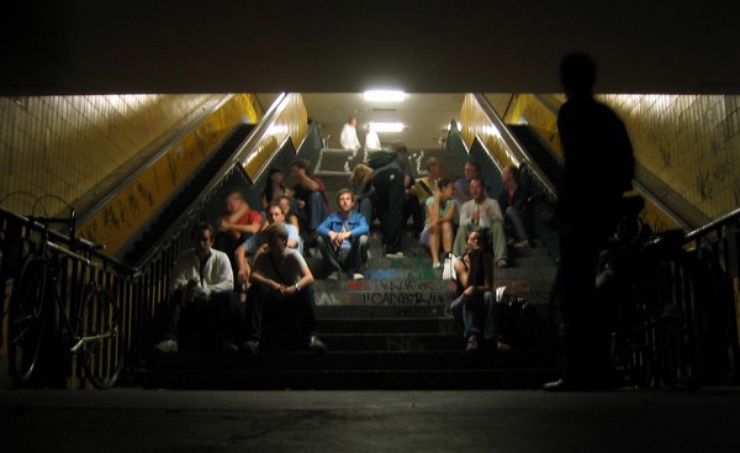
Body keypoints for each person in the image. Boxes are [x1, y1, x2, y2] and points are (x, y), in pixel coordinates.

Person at [544, 53, 635, 392]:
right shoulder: (605, 114)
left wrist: (562, 212)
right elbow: (626, 162)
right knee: (584, 287)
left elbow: (575, 168)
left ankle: (581, 371)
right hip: (609, 204)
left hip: (585, 209)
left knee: (574, 290)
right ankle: (603, 368)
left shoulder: (571, 113)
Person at [154, 222, 239, 353]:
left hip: (213, 298)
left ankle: (228, 341)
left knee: (230, 297)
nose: (201, 243)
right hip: (191, 297)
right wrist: (188, 286)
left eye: (205, 239)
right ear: (193, 240)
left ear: (212, 241)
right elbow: (175, 283)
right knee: (176, 294)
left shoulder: (221, 257)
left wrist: (209, 290)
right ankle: (170, 339)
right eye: (198, 239)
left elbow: (229, 283)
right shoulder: (184, 257)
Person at [243, 224, 327, 353]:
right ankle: (253, 339)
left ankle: (311, 336)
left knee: (307, 289)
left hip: (290, 297)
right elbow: (253, 276)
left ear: (283, 240)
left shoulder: (293, 255)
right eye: (269, 238)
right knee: (255, 290)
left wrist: (294, 287)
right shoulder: (263, 257)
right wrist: (270, 283)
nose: (270, 242)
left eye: (273, 238)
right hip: (272, 298)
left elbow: (309, 277)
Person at [450, 229, 510, 353]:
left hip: (481, 299)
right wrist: (472, 262)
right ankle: (472, 337)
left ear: (483, 244)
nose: (477, 241)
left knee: (488, 295)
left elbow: (488, 286)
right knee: (468, 297)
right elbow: (467, 285)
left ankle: (492, 336)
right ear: (466, 244)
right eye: (473, 239)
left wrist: (474, 289)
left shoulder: (487, 258)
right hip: (461, 303)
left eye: (479, 239)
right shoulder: (459, 263)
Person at [235, 203, 303, 284]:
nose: (273, 218)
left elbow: (291, 243)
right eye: (270, 215)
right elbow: (240, 250)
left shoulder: (290, 228)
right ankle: (246, 289)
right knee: (245, 260)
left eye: (276, 214)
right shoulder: (263, 234)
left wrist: (265, 247)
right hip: (269, 270)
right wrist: (242, 268)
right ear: (267, 217)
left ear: (282, 217)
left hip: (290, 266)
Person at [453, 178, 508, 268]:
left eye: (477, 187)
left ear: (483, 189)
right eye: (472, 187)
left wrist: (487, 215)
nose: (475, 190)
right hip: (472, 231)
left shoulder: (492, 203)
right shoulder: (466, 205)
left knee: (497, 225)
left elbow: (501, 220)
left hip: (488, 231)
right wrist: (471, 218)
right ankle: (458, 258)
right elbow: (461, 222)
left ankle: (501, 258)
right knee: (462, 228)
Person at [316, 189, 370, 280]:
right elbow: (319, 228)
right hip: (337, 253)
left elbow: (365, 228)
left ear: (353, 203)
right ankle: (334, 270)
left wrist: (348, 234)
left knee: (363, 238)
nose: (345, 202)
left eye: (348, 199)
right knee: (320, 239)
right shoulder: (332, 217)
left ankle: (356, 270)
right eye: (342, 199)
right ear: (338, 204)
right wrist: (331, 233)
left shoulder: (359, 217)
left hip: (353, 253)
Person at [215, 190, 262, 280]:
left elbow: (253, 229)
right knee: (221, 238)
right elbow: (234, 235)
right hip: (232, 248)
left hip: (249, 247)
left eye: (231, 204)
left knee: (246, 235)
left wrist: (230, 225)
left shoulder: (252, 214)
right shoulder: (227, 216)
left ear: (239, 201)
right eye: (227, 204)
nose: (228, 207)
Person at [370, 142, 407, 257]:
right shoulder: (401, 157)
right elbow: (406, 178)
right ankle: (393, 249)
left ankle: (386, 242)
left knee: (385, 212)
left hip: (378, 179)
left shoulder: (382, 158)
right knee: (395, 212)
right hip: (394, 177)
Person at [420, 178, 456, 270]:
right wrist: (436, 201)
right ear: (443, 189)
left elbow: (448, 217)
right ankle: (435, 261)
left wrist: (435, 221)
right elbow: (433, 218)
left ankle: (448, 259)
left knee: (446, 224)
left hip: (446, 233)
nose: (454, 191)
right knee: (435, 225)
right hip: (429, 235)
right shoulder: (430, 201)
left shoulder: (452, 202)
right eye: (451, 188)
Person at [289, 159, 330, 239]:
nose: (292, 174)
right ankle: (299, 230)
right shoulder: (296, 188)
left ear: (302, 170)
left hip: (322, 216)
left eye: (294, 171)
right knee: (291, 200)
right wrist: (297, 202)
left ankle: (314, 230)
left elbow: (315, 187)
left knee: (315, 195)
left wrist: (302, 175)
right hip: (308, 217)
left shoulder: (316, 181)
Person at [498, 165, 533, 248]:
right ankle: (509, 239)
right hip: (509, 226)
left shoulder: (523, 191)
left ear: (511, 174)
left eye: (504, 172)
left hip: (523, 222)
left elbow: (520, 207)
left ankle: (524, 239)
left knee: (510, 209)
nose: (501, 175)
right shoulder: (503, 195)